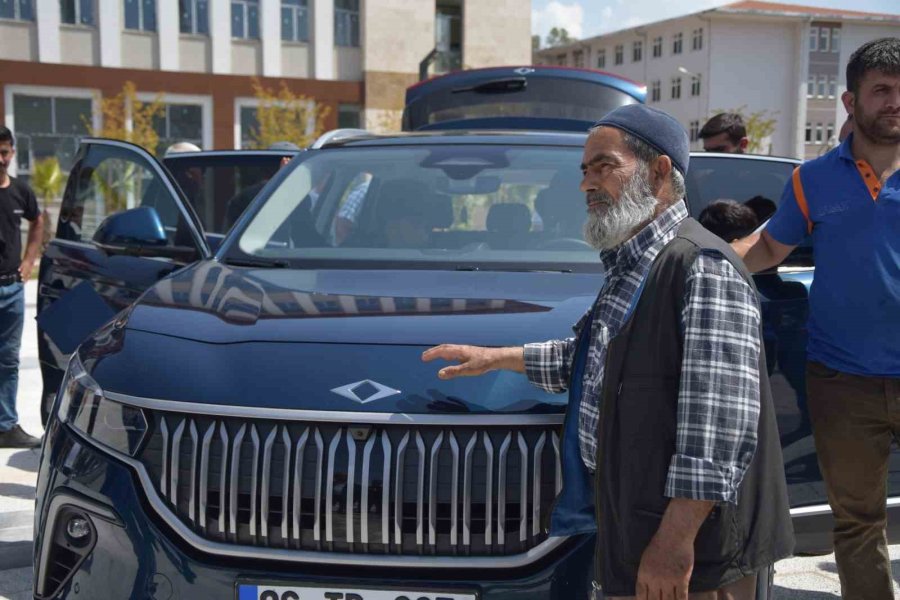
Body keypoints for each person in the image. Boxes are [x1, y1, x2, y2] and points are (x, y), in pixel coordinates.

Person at [423, 104, 793, 599]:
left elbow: (718, 432)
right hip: (642, 526)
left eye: (604, 166)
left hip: (694, 554)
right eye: (584, 170)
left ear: (660, 172)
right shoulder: (636, 261)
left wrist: (673, 544)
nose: (586, 185)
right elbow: (596, 364)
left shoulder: (701, 266)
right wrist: (497, 358)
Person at [732, 37, 900, 600]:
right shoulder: (812, 179)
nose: (895, 102)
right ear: (851, 101)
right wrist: (695, 262)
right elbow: (768, 249)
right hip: (843, 380)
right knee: (857, 522)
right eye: (882, 90)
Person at [0, 126, 44, 448]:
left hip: (12, 290)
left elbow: (38, 221)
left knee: (8, 359)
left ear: (12, 153)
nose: (0, 159)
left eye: (4, 152)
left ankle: (5, 426)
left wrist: (30, 260)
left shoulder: (21, 191)